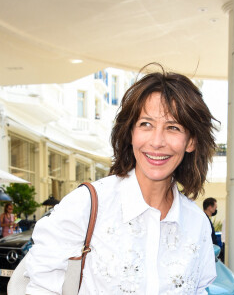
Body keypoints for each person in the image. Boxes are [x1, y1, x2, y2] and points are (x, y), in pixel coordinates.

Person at [25, 64, 218, 294]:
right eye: (145, 124)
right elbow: (40, 287)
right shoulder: (86, 205)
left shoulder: (196, 223)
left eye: (173, 127)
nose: (157, 141)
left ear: (191, 141)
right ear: (130, 133)